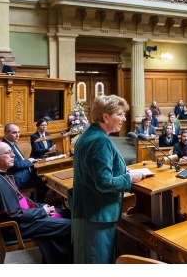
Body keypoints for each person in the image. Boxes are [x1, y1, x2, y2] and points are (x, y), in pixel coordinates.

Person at [72, 95, 143, 264]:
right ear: (105, 117)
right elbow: (104, 183)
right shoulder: (100, 140)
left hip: (86, 210)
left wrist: (122, 170)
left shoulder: (88, 134)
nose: (124, 119)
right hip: (97, 214)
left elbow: (94, 168)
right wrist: (128, 178)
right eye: (120, 114)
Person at [0, 141, 72, 264]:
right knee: (71, 226)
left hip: (22, 219)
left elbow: (21, 199)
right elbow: (13, 215)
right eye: (8, 153)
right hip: (16, 227)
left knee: (66, 213)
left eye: (12, 152)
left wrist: (41, 206)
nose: (13, 155)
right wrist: (42, 211)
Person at [2, 123, 48, 203]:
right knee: (45, 181)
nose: (17, 135)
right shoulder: (5, 146)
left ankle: (33, 201)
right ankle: (38, 205)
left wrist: (30, 160)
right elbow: (15, 164)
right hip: (18, 178)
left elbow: (19, 161)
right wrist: (29, 162)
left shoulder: (11, 143)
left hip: (22, 172)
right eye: (14, 133)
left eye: (18, 132)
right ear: (6, 134)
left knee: (42, 174)